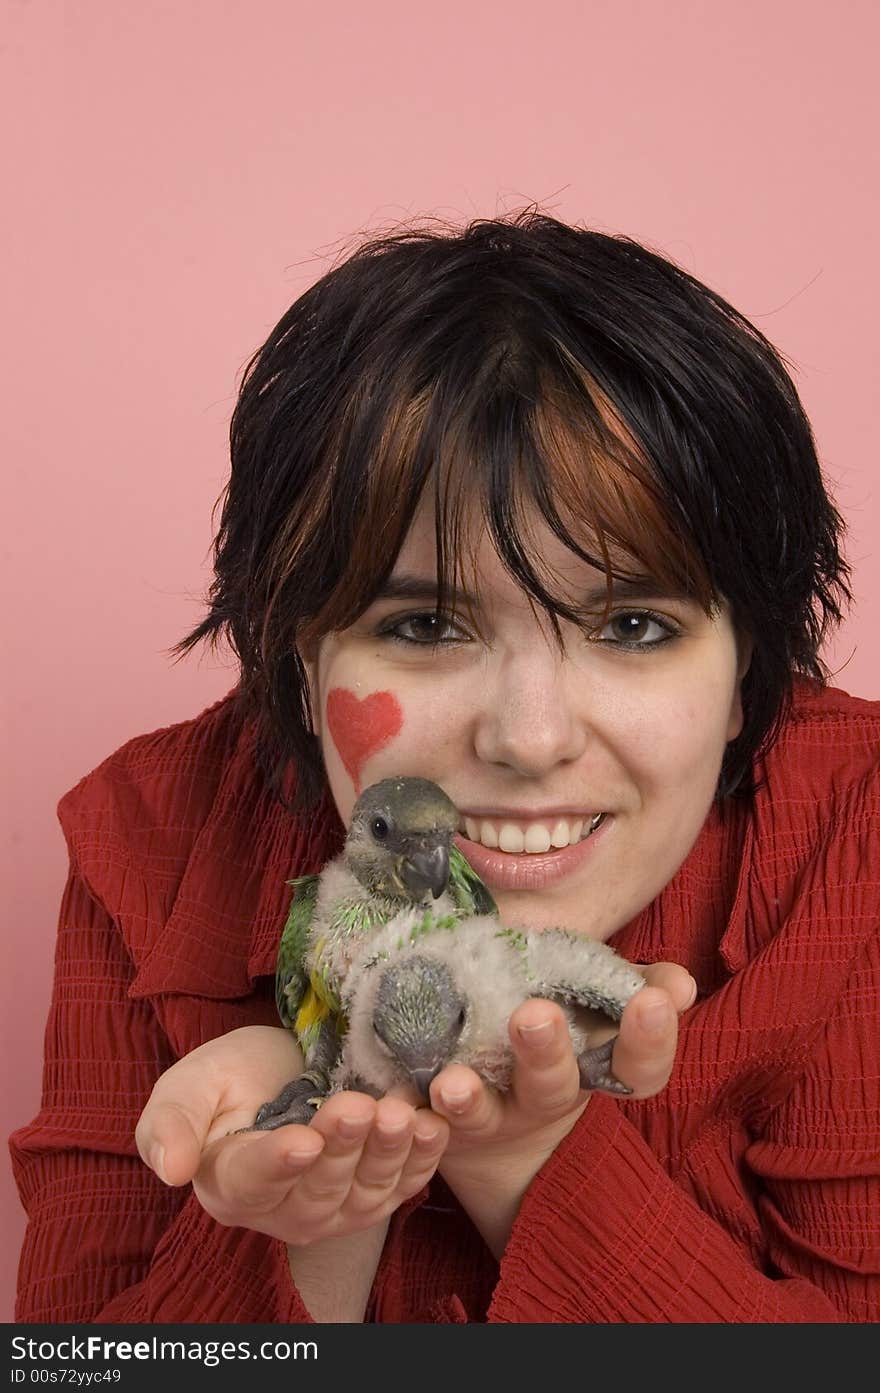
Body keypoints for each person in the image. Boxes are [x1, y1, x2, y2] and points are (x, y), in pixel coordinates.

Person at [10, 212, 879, 1324]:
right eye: (423, 626)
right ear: (298, 640)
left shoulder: (850, 826)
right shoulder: (148, 833)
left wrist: (522, 1150)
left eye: (633, 627)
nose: (527, 737)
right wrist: (327, 1186)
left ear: (745, 654)